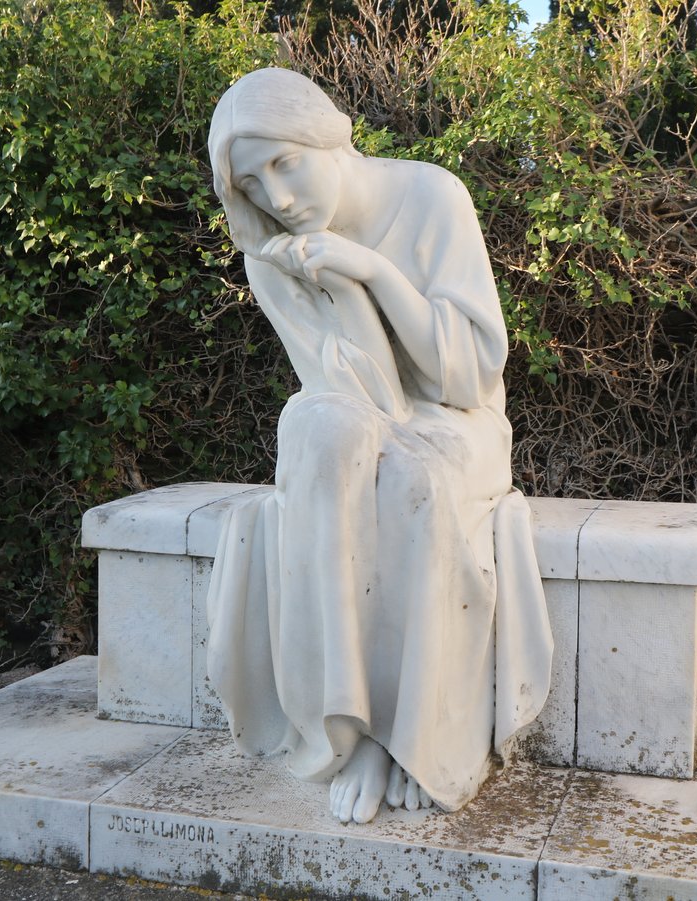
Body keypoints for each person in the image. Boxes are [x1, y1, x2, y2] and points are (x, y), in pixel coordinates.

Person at [205, 67, 552, 825]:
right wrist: (327, 290)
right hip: (374, 413)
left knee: (408, 471)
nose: (278, 197)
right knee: (315, 429)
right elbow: (355, 394)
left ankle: (409, 731)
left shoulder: (432, 196)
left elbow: (463, 375)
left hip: (460, 424)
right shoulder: (273, 257)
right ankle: (346, 726)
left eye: (284, 163)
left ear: (326, 134)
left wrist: (369, 270)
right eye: (253, 184)